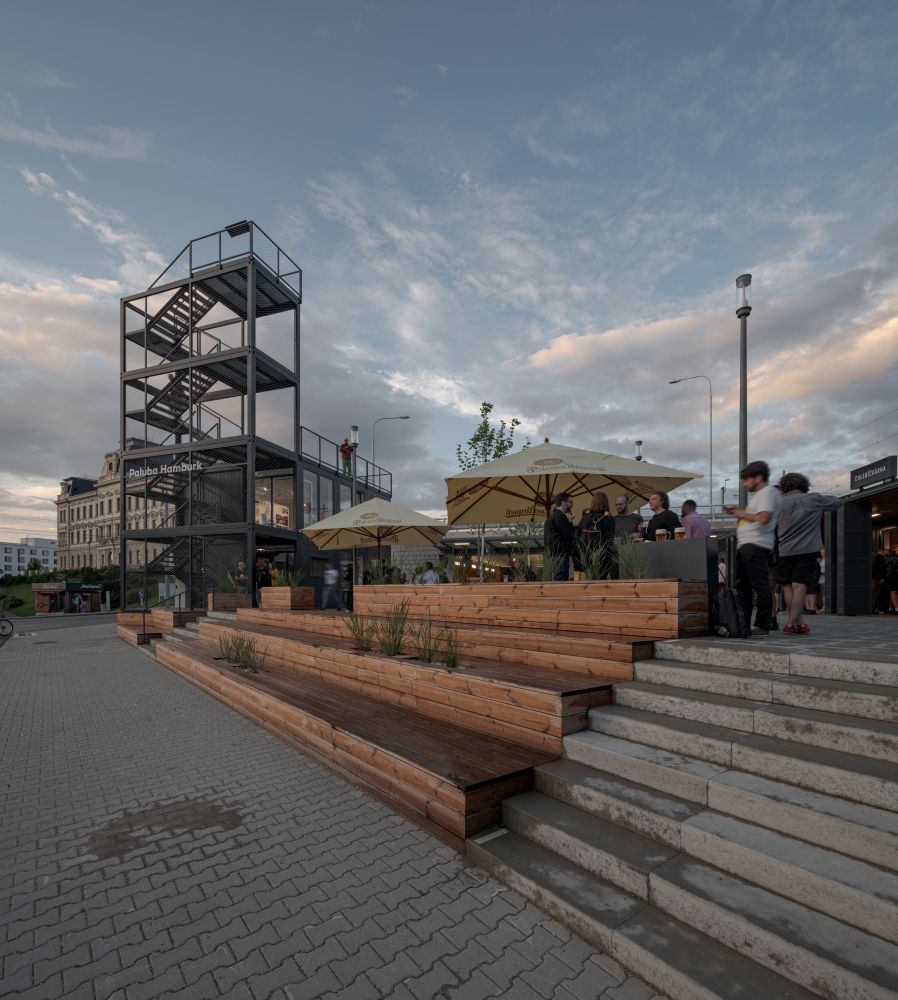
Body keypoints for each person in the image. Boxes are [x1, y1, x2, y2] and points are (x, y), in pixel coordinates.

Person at [774, 473, 841, 635]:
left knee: (787, 585)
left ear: (783, 486)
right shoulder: (814, 499)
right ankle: (792, 623)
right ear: (804, 485)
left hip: (784, 550)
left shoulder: (778, 502)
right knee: (799, 586)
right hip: (807, 550)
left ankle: (800, 623)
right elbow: (837, 502)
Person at [726, 461, 780, 637]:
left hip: (756, 545)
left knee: (760, 586)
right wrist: (740, 512)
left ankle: (763, 625)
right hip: (748, 546)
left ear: (758, 477)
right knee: (744, 588)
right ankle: (744, 623)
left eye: (746, 480)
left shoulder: (767, 492)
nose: (744, 484)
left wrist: (740, 513)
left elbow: (763, 518)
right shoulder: (762, 495)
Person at [578, 492, 616, 578]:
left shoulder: (585, 517)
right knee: (601, 579)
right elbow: (610, 539)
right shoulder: (609, 518)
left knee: (589, 579)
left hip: (586, 555)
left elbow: (578, 534)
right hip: (603, 555)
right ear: (606, 503)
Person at [544, 492, 576, 581]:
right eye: (570, 502)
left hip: (552, 555)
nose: (572, 505)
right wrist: (570, 522)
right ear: (563, 502)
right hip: (560, 555)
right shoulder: (560, 516)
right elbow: (569, 535)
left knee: (557, 581)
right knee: (561, 582)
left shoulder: (551, 517)